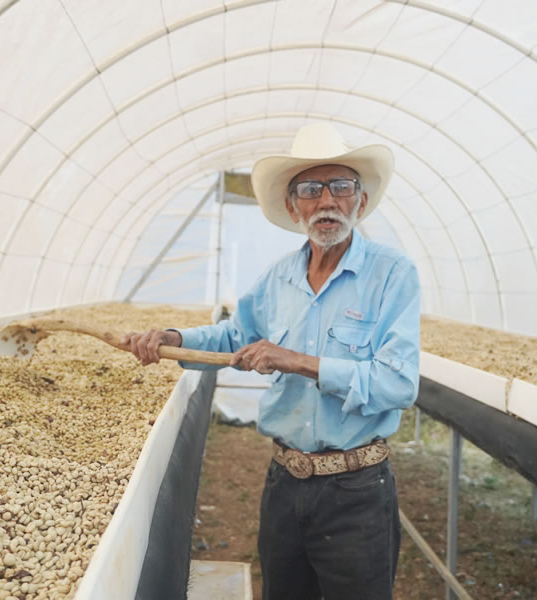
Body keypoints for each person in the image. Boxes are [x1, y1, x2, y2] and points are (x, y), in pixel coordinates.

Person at [123, 122, 421, 600]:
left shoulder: (392, 275)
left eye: (341, 186)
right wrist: (171, 339)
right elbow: (233, 335)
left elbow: (399, 384)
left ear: (360, 201)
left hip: (356, 489)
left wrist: (299, 361)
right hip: (285, 482)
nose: (326, 200)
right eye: (309, 188)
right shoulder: (278, 278)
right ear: (292, 206)